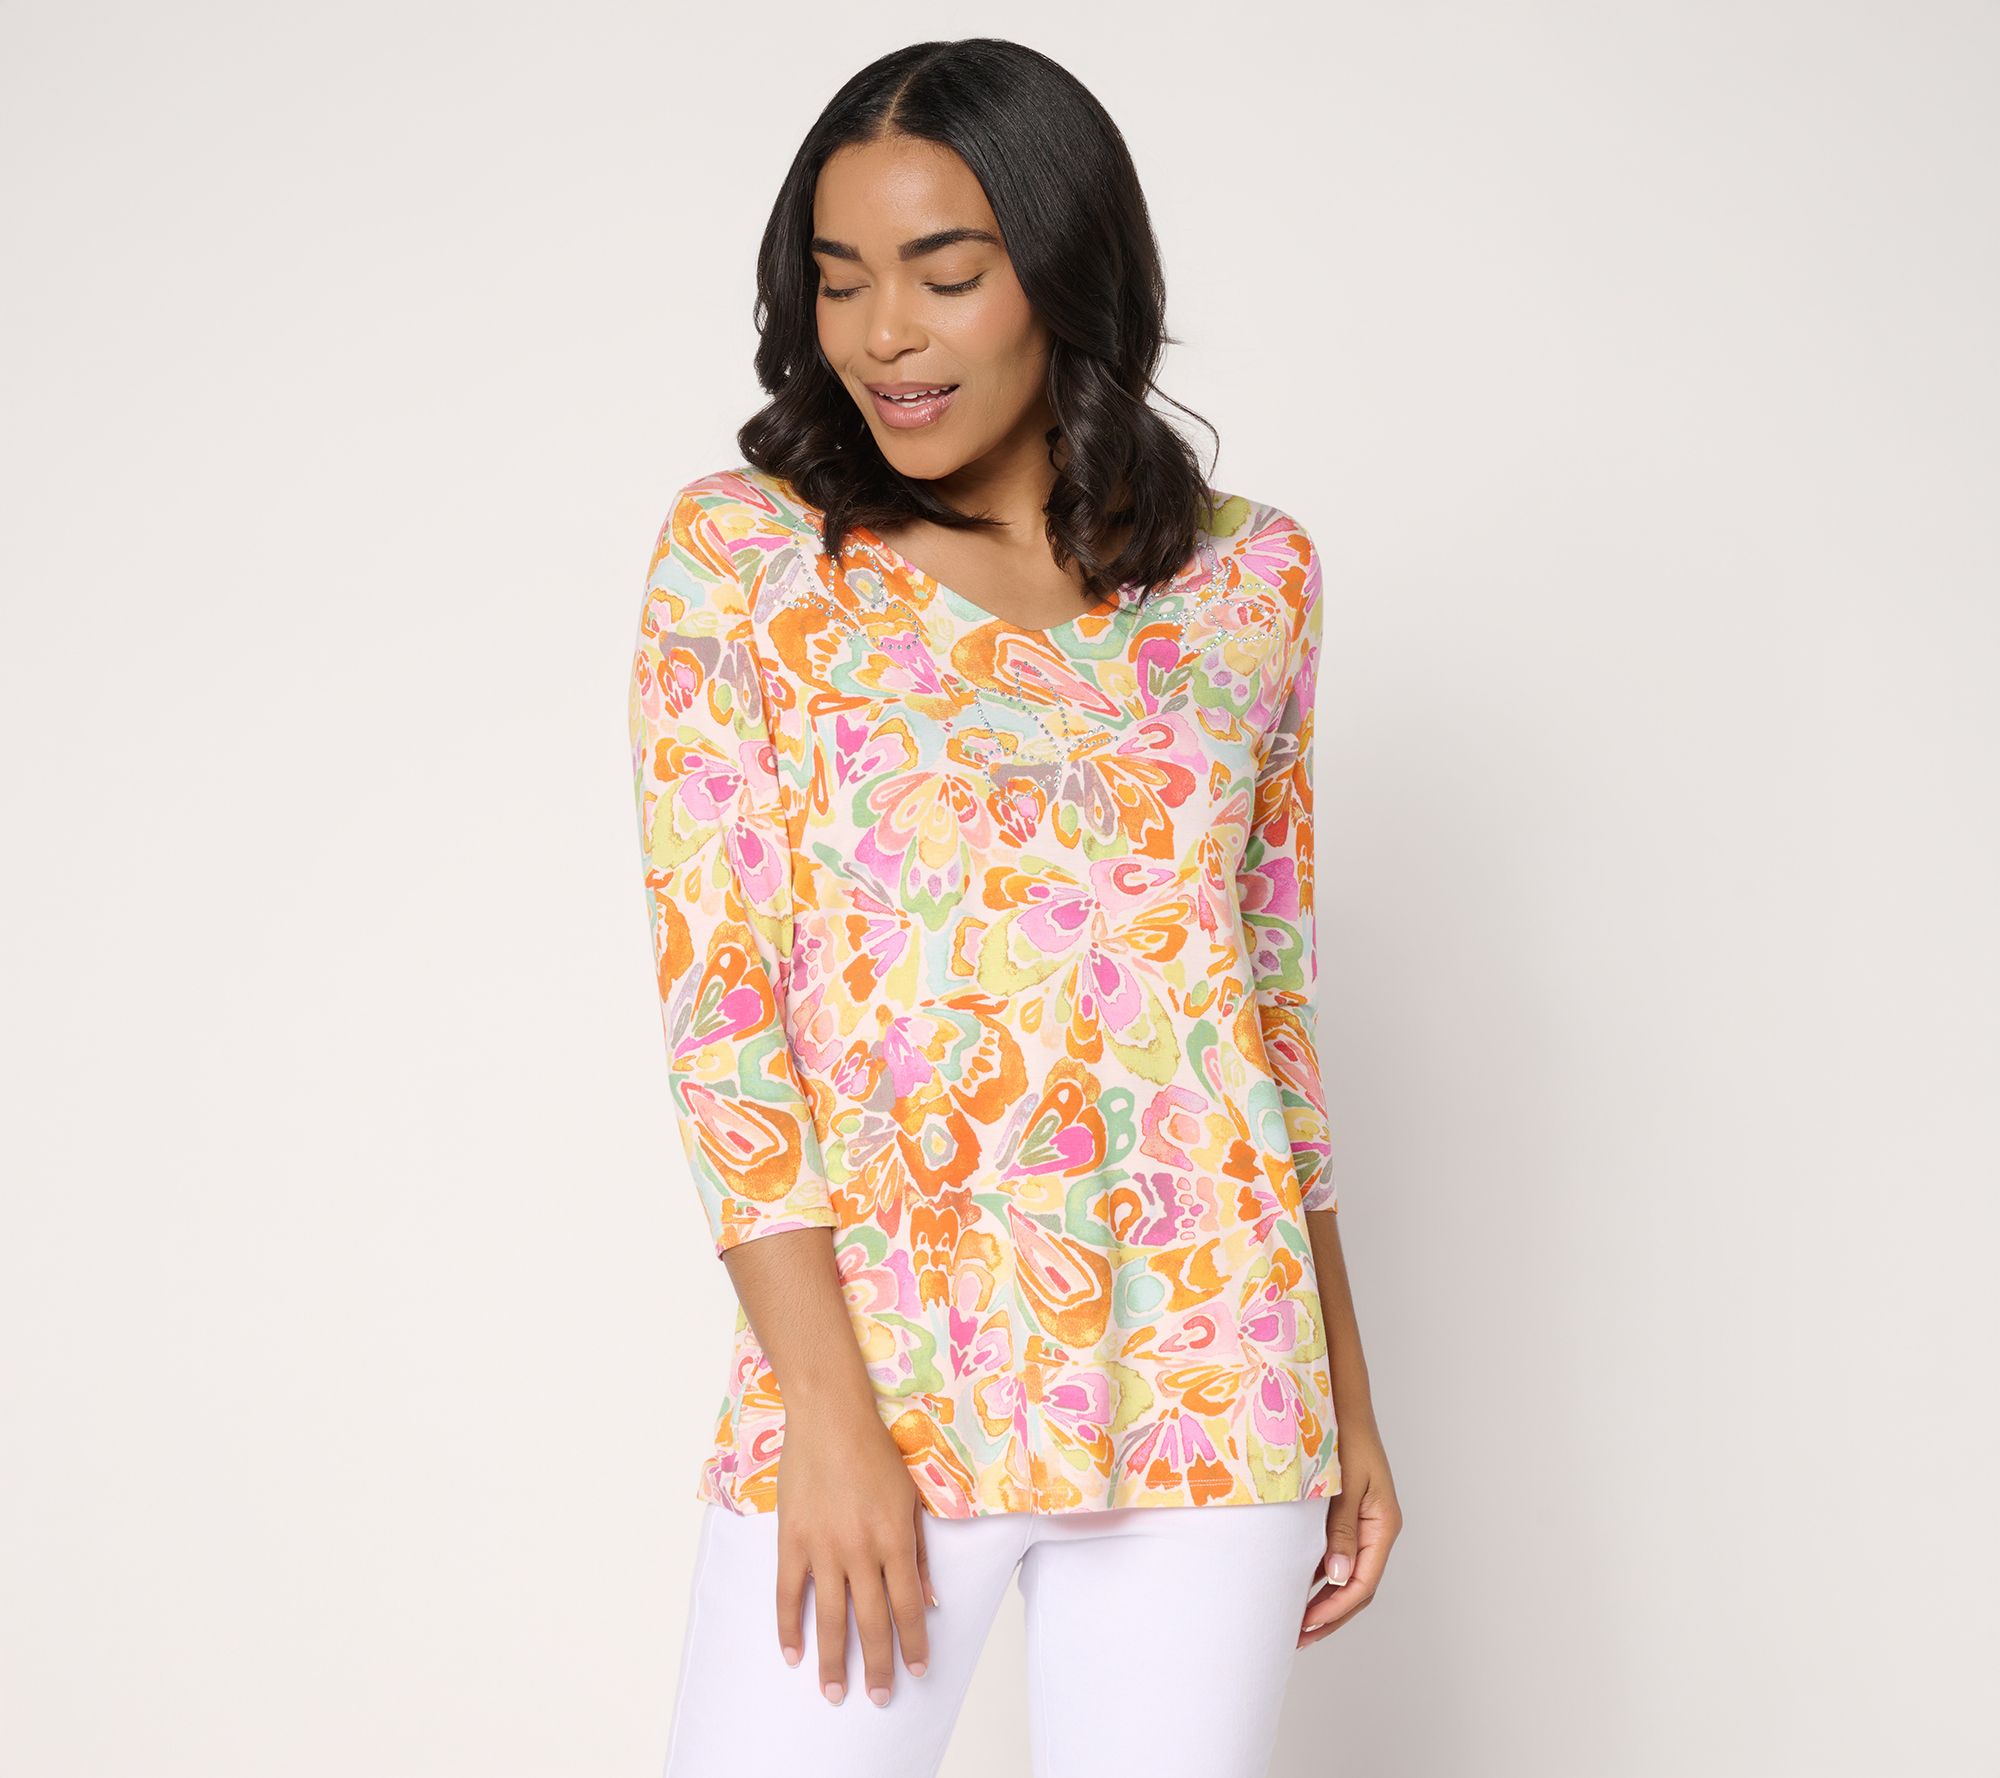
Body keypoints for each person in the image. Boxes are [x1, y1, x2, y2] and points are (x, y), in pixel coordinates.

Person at [626, 37, 1401, 1778]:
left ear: (1063, 269)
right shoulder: (747, 563)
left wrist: (1343, 1393)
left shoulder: (1250, 579)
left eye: (944, 273)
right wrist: (828, 1416)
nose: (884, 334)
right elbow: (726, 1027)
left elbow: (1268, 1011)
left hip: (1217, 1379)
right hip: (887, 1376)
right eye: (839, 281)